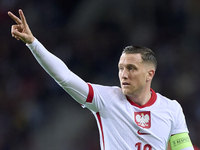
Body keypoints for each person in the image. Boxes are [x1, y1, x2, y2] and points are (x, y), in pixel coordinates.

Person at [8, 9, 194, 150]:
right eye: (121, 68)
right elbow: (65, 77)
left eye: (131, 68)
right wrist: (33, 44)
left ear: (149, 74)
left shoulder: (172, 109)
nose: (123, 74)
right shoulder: (106, 99)